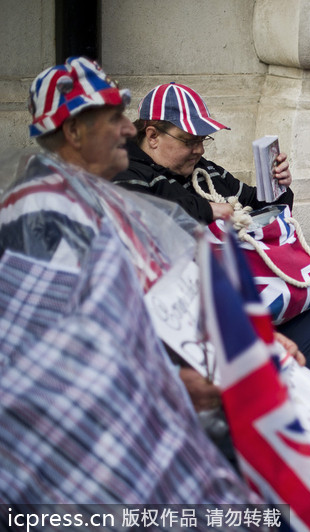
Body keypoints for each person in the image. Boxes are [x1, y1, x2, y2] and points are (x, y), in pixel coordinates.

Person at [0, 57, 254, 506]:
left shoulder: (93, 196)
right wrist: (175, 384)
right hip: (76, 460)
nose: (127, 129)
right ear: (75, 132)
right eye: (114, 116)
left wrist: (242, 346)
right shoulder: (41, 212)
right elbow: (50, 368)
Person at [113, 82, 310, 380]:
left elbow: (261, 210)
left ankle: (300, 417)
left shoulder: (207, 172)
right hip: (183, 322)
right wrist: (207, 211)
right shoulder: (124, 173)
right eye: (189, 139)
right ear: (152, 136)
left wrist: (278, 188)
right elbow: (144, 218)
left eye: (203, 139)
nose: (199, 149)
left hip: (241, 305)